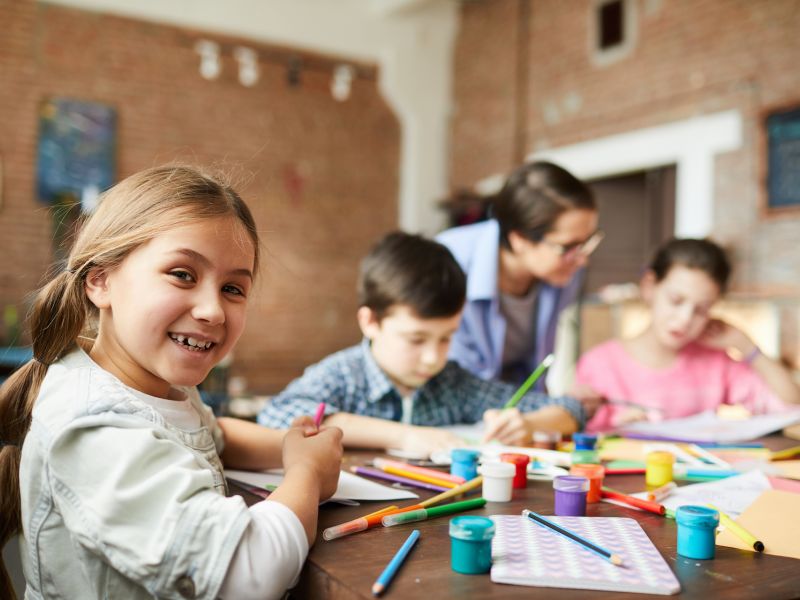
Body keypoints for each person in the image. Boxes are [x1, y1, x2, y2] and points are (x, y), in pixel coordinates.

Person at [0, 166, 343, 600]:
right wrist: (306, 471)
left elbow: (211, 434)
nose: (213, 311)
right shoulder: (95, 427)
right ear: (100, 280)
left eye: (234, 289)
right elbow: (248, 572)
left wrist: (289, 443)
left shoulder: (154, 385)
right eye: (183, 274)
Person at [258, 232, 585, 457]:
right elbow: (277, 414)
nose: (433, 358)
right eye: (416, 339)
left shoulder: (453, 383)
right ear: (370, 322)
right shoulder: (343, 374)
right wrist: (404, 435)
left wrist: (528, 424)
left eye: (447, 338)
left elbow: (571, 410)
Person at [574, 238, 800, 432]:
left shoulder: (716, 363)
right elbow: (578, 433)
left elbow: (789, 404)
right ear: (650, 286)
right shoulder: (599, 364)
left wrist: (747, 345)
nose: (684, 319)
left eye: (701, 309)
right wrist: (613, 428)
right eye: (676, 301)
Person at [436, 161, 602, 391]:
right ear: (519, 239)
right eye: (569, 247)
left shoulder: (565, 272)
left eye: (587, 242)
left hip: (514, 408)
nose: (582, 259)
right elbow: (460, 385)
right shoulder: (449, 262)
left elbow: (534, 372)